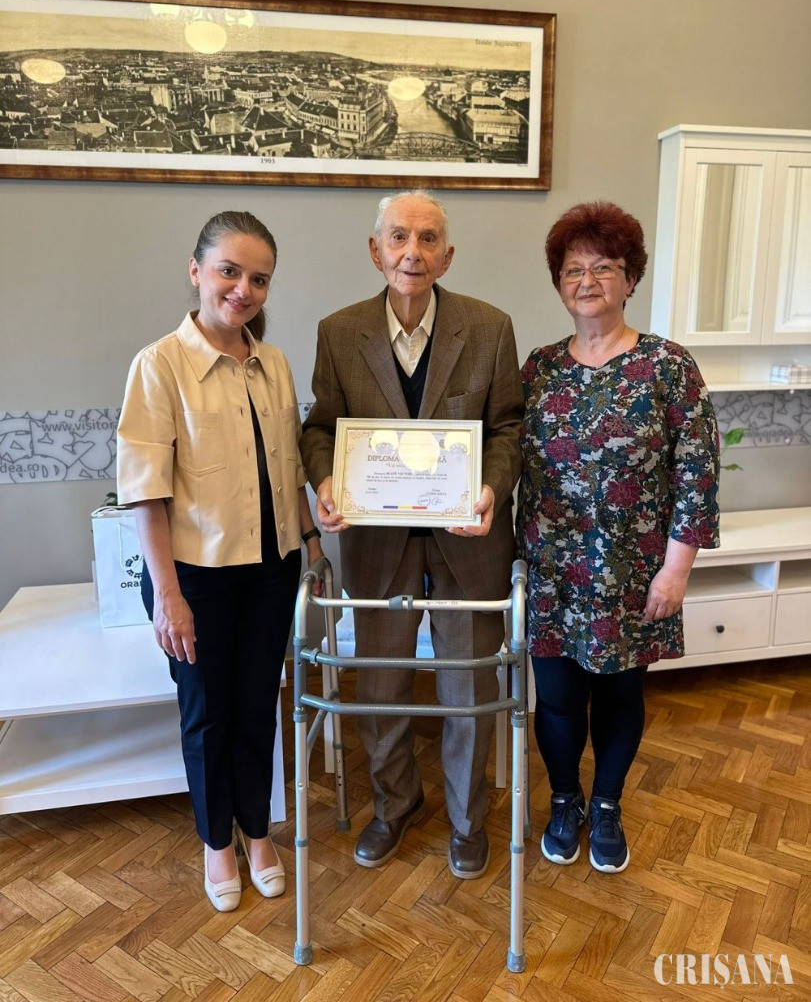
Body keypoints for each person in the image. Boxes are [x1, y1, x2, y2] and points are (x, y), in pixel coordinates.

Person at [300, 190, 523, 879]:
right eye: (399, 237)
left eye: (428, 239)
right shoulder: (339, 331)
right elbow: (320, 428)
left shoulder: (489, 327)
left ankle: (466, 820)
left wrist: (492, 488)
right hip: (377, 543)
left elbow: (508, 429)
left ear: (446, 256)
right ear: (376, 250)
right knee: (381, 685)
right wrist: (325, 483)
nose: (412, 252)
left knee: (468, 690)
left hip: (468, 540)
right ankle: (394, 805)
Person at [116, 211, 323, 912]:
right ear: (196, 270)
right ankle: (217, 842)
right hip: (192, 576)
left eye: (259, 279)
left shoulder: (275, 365)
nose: (243, 290)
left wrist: (312, 544)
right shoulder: (158, 366)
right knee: (207, 712)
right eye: (229, 271)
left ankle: (257, 832)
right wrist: (167, 596)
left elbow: (287, 469)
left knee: (259, 704)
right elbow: (145, 493)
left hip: (271, 567)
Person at [516, 201, 720, 873]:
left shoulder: (668, 366)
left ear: (630, 279)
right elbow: (500, 456)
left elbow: (697, 471)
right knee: (556, 697)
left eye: (603, 267)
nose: (587, 280)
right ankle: (565, 799)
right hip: (551, 570)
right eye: (573, 269)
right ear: (558, 283)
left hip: (631, 571)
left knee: (618, 696)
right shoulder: (538, 368)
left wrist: (676, 570)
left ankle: (606, 804)